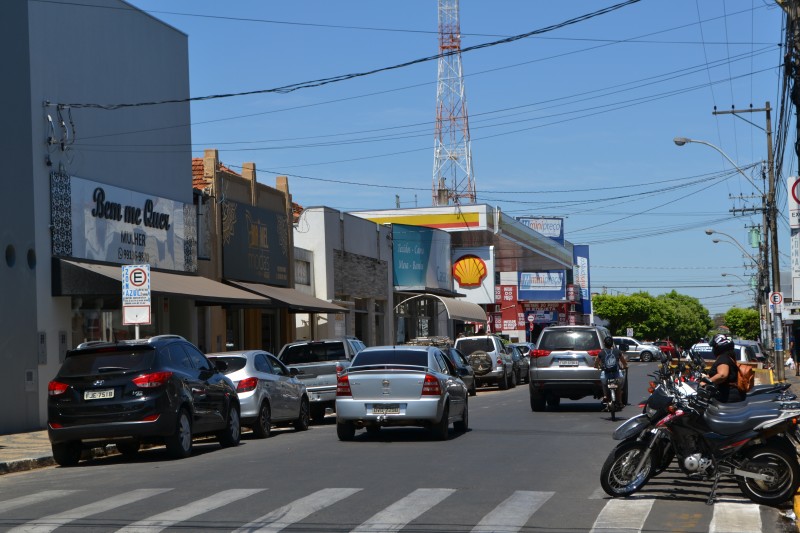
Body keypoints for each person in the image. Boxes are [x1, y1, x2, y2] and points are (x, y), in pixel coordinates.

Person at [703, 333, 745, 403]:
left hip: (727, 397)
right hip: (731, 395)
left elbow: (722, 375)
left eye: (714, 347)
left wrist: (706, 384)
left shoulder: (723, 358)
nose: (713, 349)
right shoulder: (729, 357)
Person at [594, 336, 628, 407]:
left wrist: (597, 367)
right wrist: (625, 366)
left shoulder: (601, 353)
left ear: (604, 344)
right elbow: (624, 361)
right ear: (612, 343)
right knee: (619, 386)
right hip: (616, 373)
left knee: (604, 384)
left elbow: (596, 363)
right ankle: (620, 401)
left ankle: (605, 396)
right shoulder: (617, 351)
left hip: (606, 374)